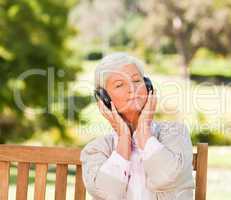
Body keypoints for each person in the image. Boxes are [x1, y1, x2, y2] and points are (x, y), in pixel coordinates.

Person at [80, 52, 195, 200]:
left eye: (136, 81)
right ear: (105, 99)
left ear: (148, 87)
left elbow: (166, 178)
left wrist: (143, 131)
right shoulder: (95, 150)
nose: (131, 88)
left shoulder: (176, 134)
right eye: (119, 85)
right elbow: (107, 194)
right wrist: (124, 137)